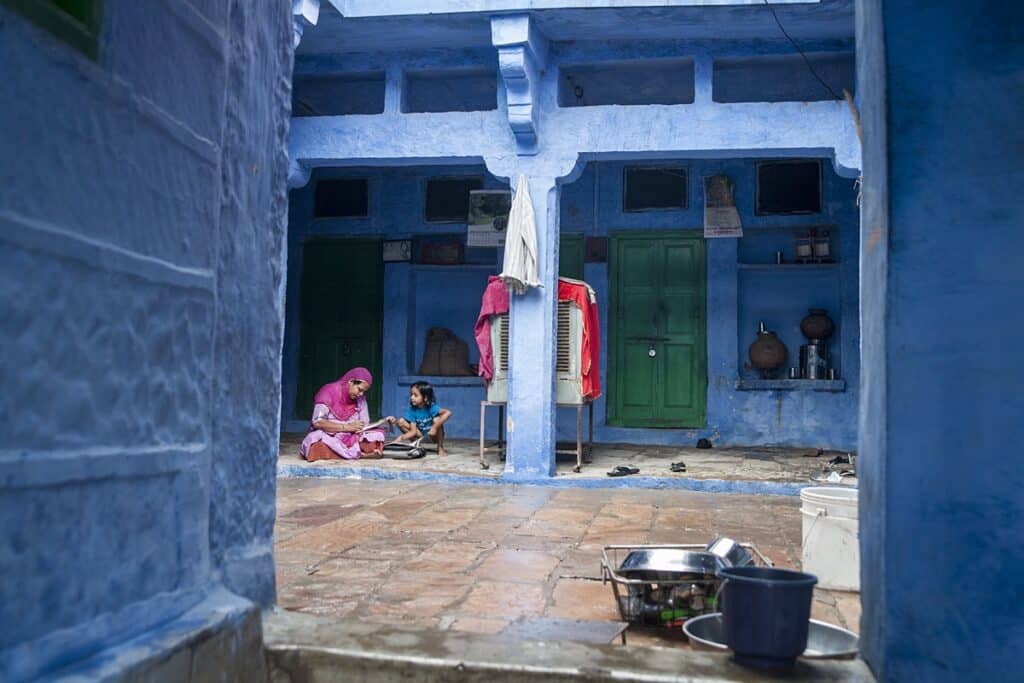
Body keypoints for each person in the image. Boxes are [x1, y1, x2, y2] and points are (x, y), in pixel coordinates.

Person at [300, 367, 387, 461]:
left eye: (364, 391)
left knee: (377, 436)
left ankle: (345, 453)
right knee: (315, 445)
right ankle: (358, 454)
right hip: (329, 436)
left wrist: (378, 423)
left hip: (351, 436)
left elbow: (364, 424)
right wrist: (347, 427)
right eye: (359, 389)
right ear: (351, 381)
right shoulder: (328, 391)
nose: (361, 394)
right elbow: (318, 422)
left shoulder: (360, 399)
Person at [396, 381, 452, 456]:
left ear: (425, 398)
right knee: (400, 421)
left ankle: (440, 447)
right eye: (411, 394)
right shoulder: (412, 410)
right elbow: (413, 432)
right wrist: (400, 439)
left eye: (415, 395)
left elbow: (448, 412)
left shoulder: (432, 407)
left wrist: (434, 427)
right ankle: (416, 445)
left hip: (433, 435)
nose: (411, 397)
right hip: (420, 435)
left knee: (437, 419)